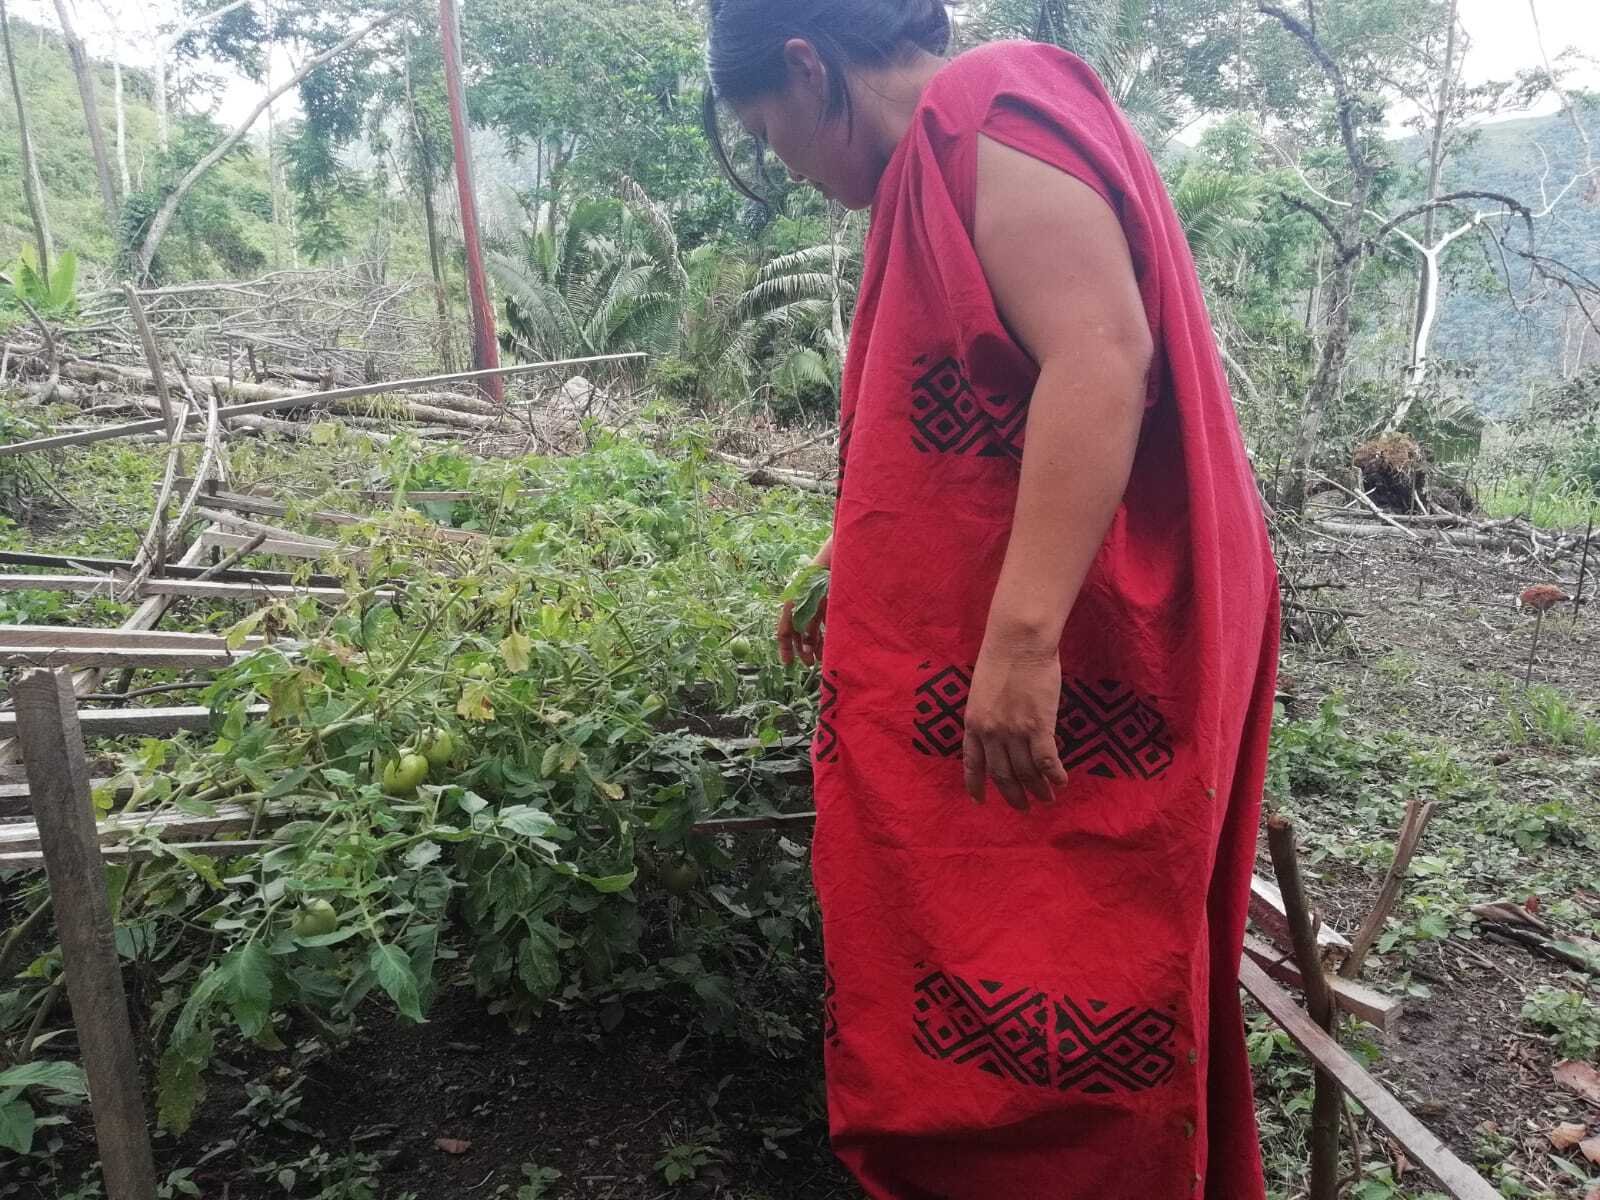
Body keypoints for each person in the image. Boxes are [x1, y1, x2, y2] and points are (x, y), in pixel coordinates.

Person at [703, 3, 1279, 1197]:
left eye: (768, 135)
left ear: (807, 71)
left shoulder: (992, 109)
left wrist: (1018, 641)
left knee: (1085, 932)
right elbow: (972, 412)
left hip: (1102, 625)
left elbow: (1097, 356)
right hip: (1045, 611)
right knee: (972, 899)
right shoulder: (936, 162)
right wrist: (852, 565)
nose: (788, 169)